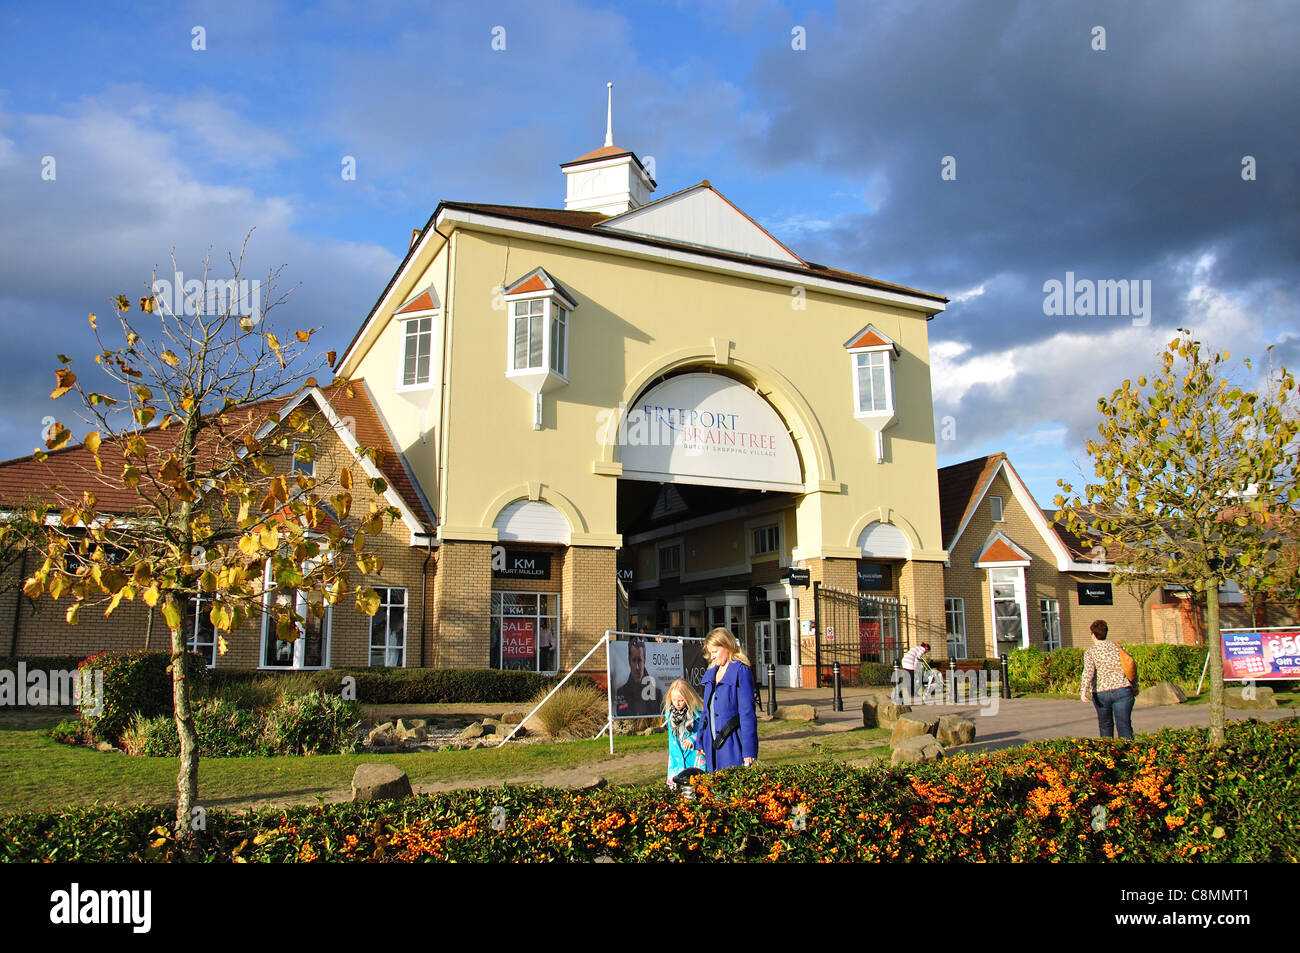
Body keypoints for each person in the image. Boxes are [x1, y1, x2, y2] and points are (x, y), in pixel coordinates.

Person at [695, 628, 758, 772]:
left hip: (733, 744)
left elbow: (747, 713)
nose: (712, 657)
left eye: (715, 651)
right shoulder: (711, 673)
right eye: (710, 653)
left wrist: (749, 750)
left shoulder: (741, 671)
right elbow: (705, 712)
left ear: (727, 646)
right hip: (711, 745)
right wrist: (700, 741)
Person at [1081, 619, 1136, 739]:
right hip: (1122, 690)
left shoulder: (1091, 651)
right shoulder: (1118, 647)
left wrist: (1083, 691)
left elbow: (1088, 672)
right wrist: (1134, 686)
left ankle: (1109, 754)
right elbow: (1130, 665)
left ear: (1093, 635)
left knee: (1105, 725)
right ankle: (1129, 754)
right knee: (1124, 726)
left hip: (1101, 693)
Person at [663, 678, 705, 788]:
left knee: (696, 788)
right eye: (674, 700)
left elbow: (703, 731)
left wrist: (693, 739)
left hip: (694, 758)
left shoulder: (697, 714)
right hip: (676, 760)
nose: (677, 703)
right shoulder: (670, 715)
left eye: (681, 700)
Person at [615, 636, 661, 716]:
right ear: (629, 661)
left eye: (639, 660)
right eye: (634, 660)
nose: (637, 667)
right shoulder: (621, 693)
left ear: (644, 661)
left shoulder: (657, 694)